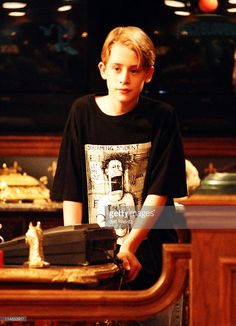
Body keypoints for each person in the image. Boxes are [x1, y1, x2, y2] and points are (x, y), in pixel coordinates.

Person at [52, 26, 187, 325]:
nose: (124, 78)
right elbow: (72, 190)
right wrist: (75, 254)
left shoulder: (162, 117)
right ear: (103, 70)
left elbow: (158, 191)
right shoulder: (82, 112)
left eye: (134, 70)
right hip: (94, 264)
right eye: (117, 68)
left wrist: (130, 246)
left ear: (148, 74)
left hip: (152, 259)